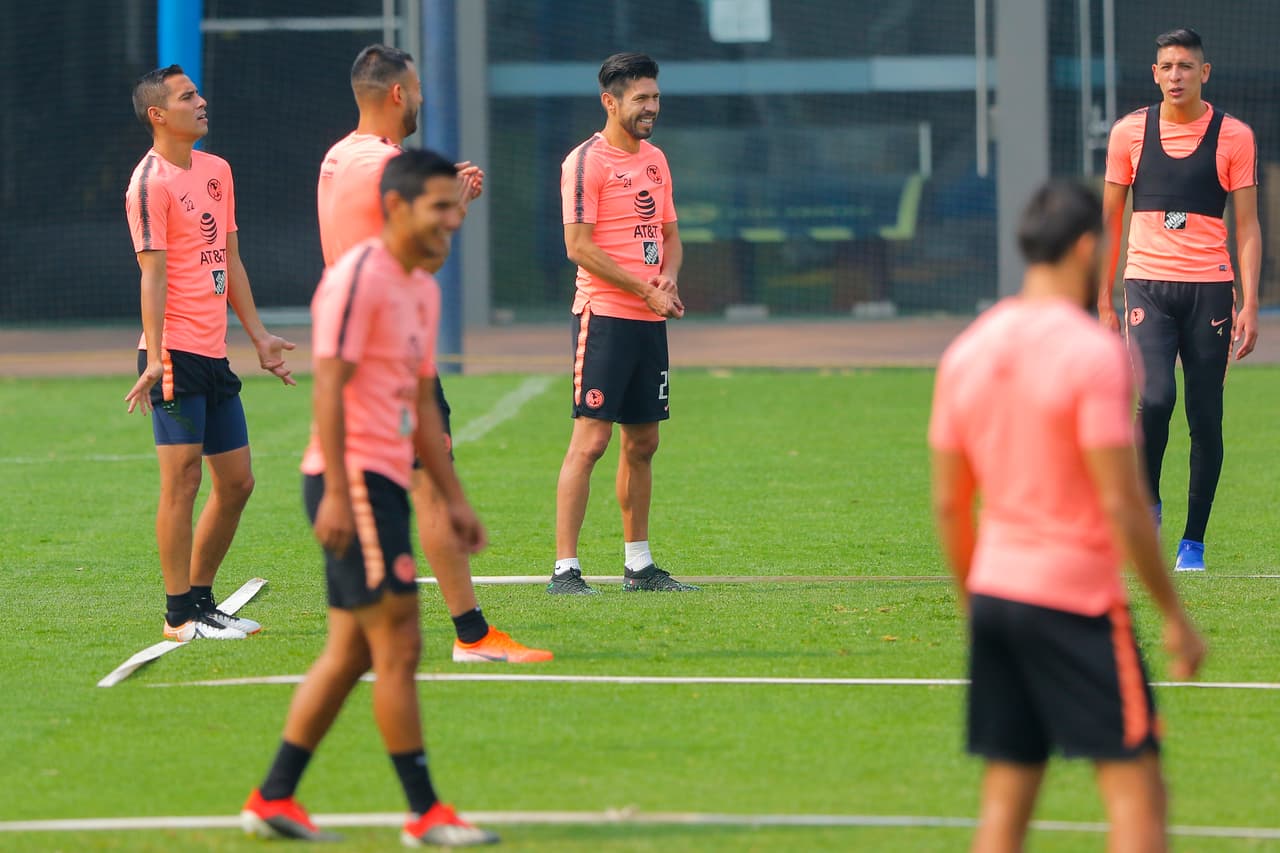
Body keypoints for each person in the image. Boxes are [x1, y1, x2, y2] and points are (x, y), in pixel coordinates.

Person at [930, 180, 1206, 853]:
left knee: (1006, 799)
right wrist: (1173, 612)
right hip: (1075, 600)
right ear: (1087, 248)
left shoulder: (967, 349)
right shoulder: (1093, 352)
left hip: (997, 594)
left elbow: (947, 501)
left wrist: (975, 598)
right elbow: (1121, 500)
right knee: (1137, 789)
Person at [242, 150, 499, 846]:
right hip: (352, 483)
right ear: (395, 208)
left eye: (457, 207)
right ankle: (426, 812)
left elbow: (419, 398)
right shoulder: (360, 278)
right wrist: (336, 493)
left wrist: (454, 497)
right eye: (440, 208)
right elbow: (330, 385)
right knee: (401, 644)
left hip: (383, 481)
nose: (453, 221)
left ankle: (273, 796)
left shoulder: (422, 286)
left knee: (354, 651)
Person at [318, 44, 550, 662]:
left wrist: (450, 203)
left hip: (372, 355)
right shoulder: (387, 166)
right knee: (419, 489)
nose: (421, 98)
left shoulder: (338, 157)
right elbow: (414, 251)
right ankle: (468, 634)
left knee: (415, 488)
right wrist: (455, 207)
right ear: (398, 94)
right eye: (416, 89)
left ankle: (455, 630)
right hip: (383, 362)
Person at [125, 65, 295, 641]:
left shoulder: (218, 170)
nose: (201, 102)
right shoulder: (148, 183)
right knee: (183, 482)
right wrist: (152, 358)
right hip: (172, 351)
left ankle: (201, 600)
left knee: (238, 482)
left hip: (213, 352)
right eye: (187, 96)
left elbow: (230, 259)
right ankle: (178, 615)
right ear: (158, 114)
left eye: (197, 93)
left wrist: (260, 336)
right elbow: (152, 275)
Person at [1098, 26, 1260, 572]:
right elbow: (1109, 222)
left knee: (1205, 416)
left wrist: (1252, 302)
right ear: (1154, 73)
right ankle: (1148, 506)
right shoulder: (1129, 133)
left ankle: (1194, 541)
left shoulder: (1234, 136)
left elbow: (1249, 229)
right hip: (1146, 286)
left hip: (1211, 292)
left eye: (1186, 67)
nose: (1176, 76)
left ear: (1204, 72)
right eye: (1167, 67)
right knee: (1157, 400)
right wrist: (1103, 298)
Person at [547, 52, 695, 595]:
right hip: (604, 319)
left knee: (644, 443)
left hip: (648, 322)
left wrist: (668, 282)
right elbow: (578, 246)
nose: (651, 107)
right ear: (610, 102)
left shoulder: (657, 158)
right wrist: (643, 290)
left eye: (655, 97)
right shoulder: (585, 162)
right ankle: (566, 570)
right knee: (590, 443)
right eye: (641, 99)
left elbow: (670, 236)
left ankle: (639, 565)